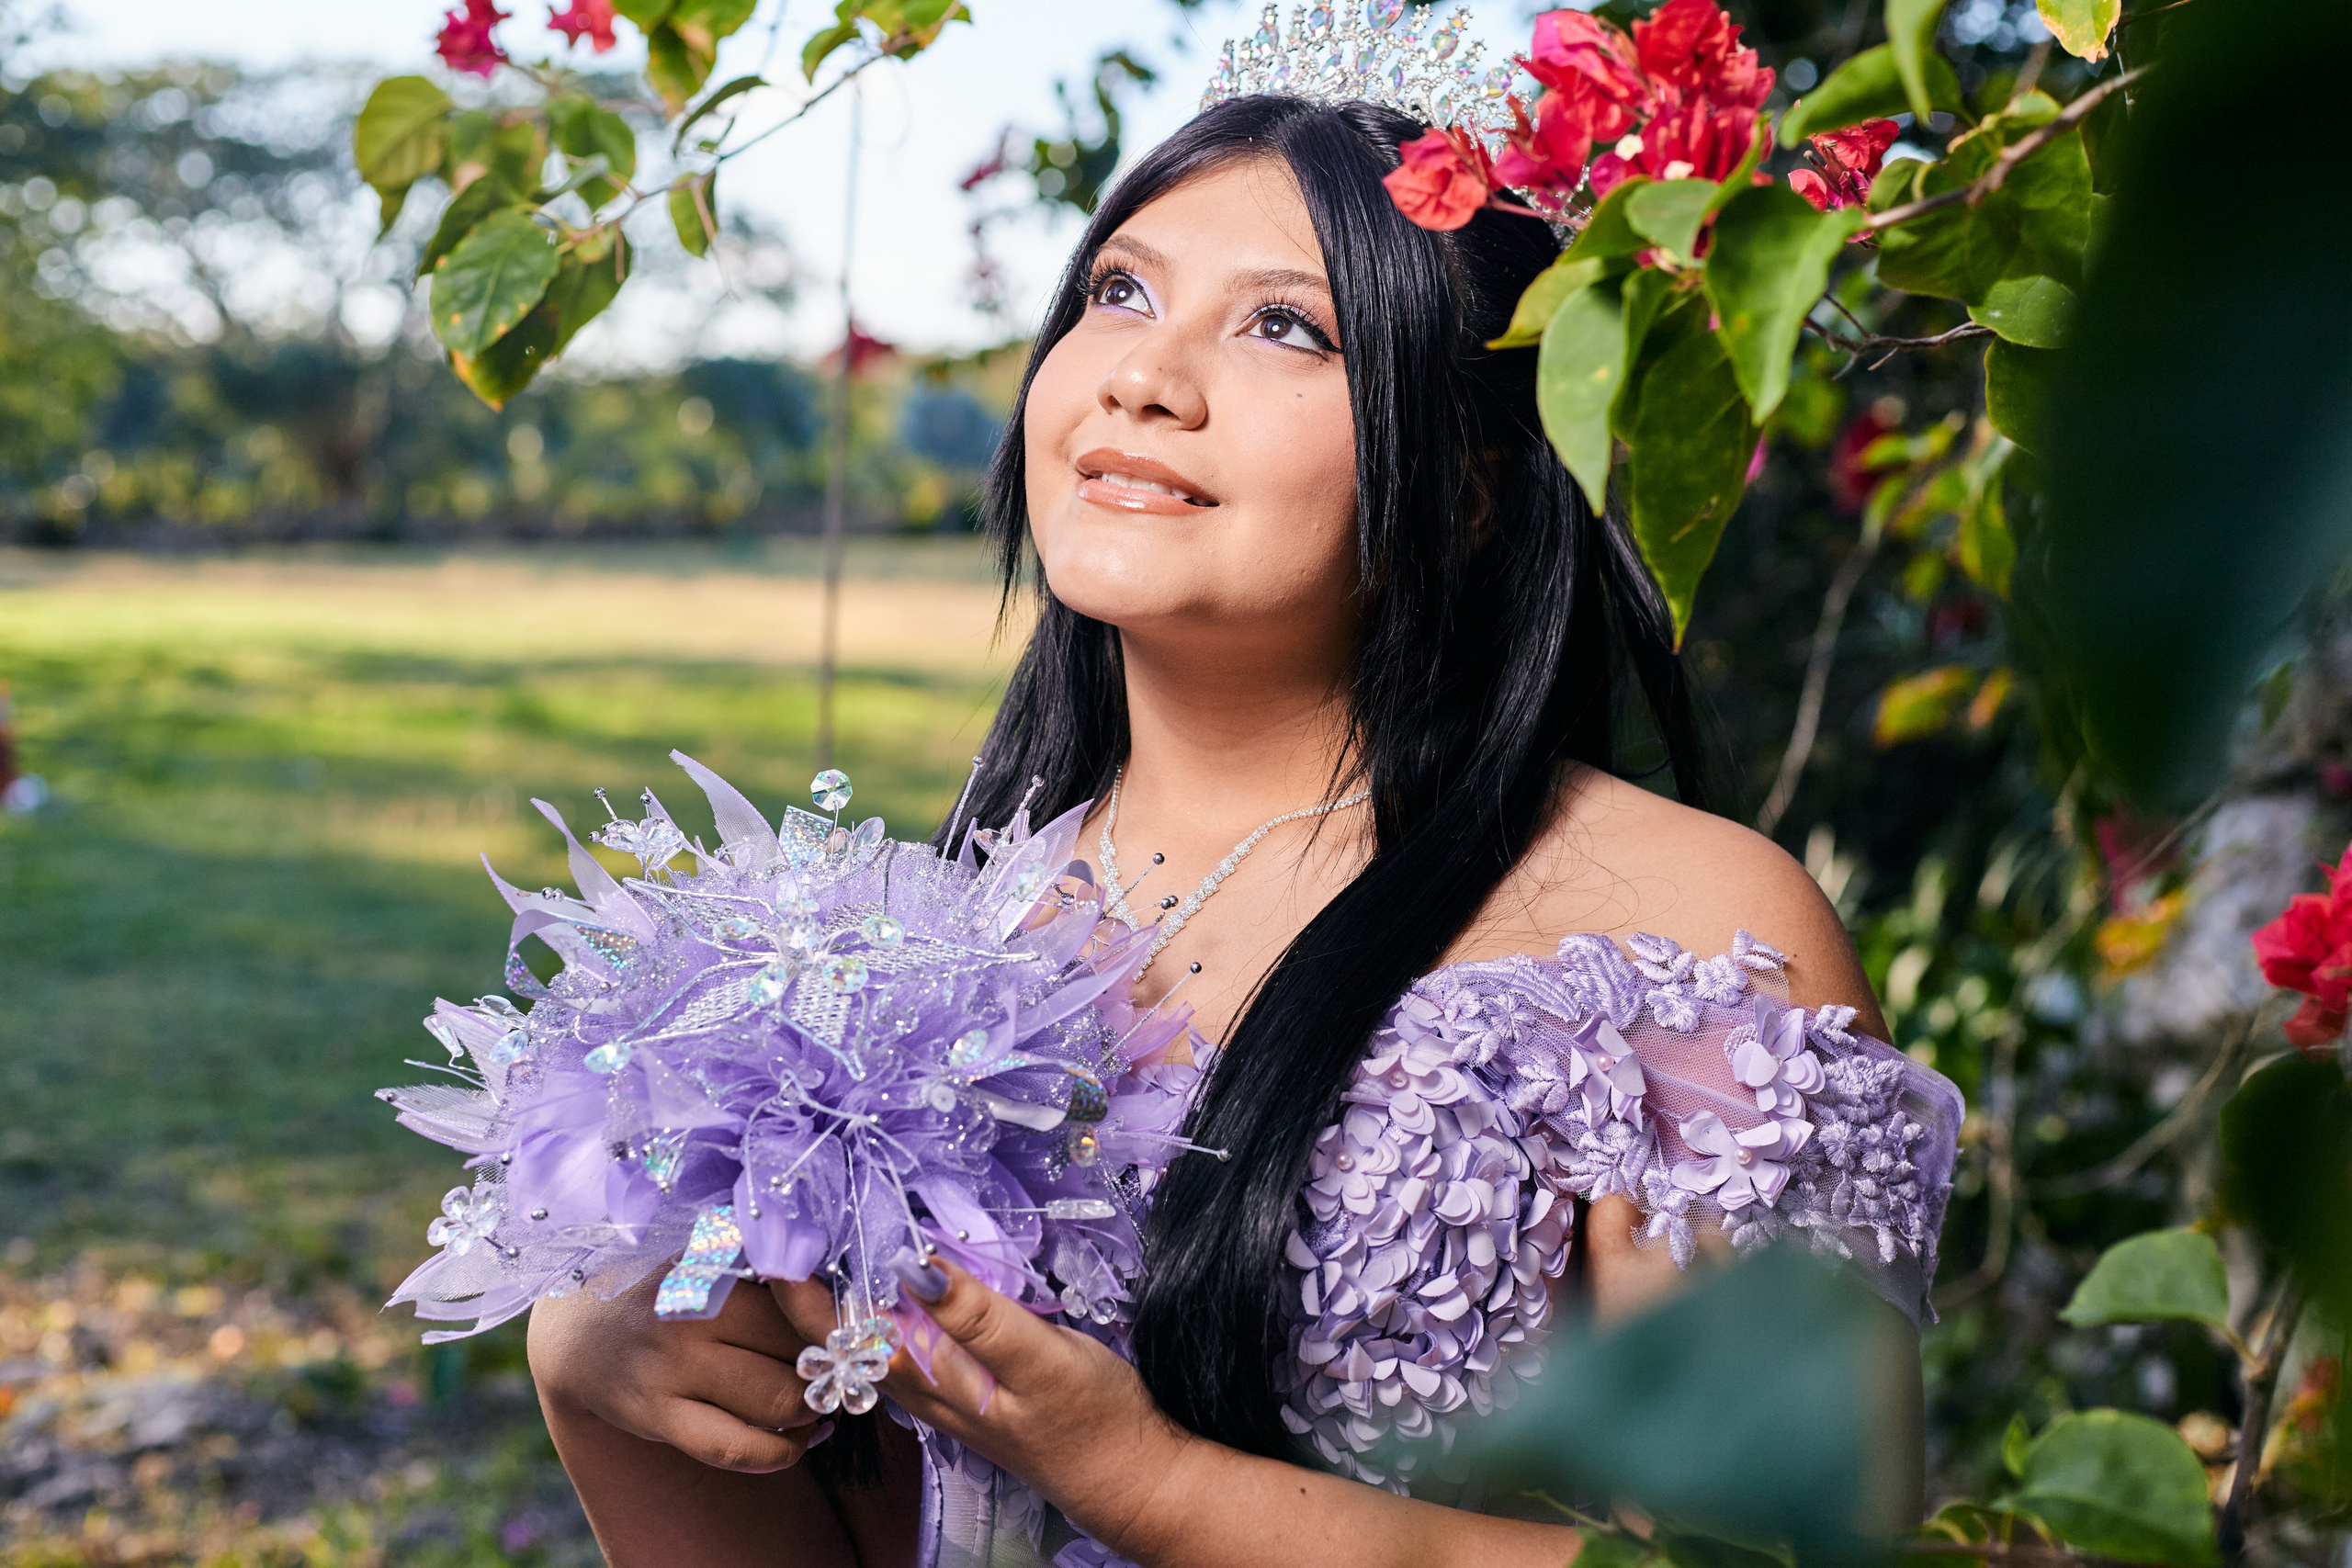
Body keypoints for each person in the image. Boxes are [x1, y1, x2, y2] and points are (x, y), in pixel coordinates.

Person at [525, 86, 1962, 1568]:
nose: (1143, 374)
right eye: (1119, 290)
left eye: (1286, 326)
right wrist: (602, 1376)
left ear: (1469, 483)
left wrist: (1149, 1483)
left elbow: (1785, 1558)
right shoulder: (931, 937)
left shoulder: (1688, 941)